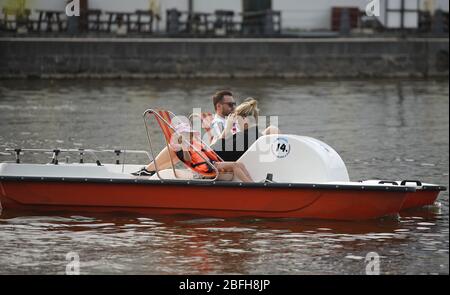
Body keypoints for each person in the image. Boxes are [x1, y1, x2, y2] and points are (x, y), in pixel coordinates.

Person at [132, 90, 238, 176]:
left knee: (177, 147)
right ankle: (150, 169)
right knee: (177, 145)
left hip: (220, 154)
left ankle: (150, 169)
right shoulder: (218, 123)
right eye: (230, 104)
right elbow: (218, 144)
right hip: (216, 157)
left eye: (234, 104)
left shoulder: (232, 121)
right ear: (219, 106)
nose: (233, 107)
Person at [134, 121, 254, 182]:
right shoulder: (181, 147)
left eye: (190, 134)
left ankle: (252, 183)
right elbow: (188, 160)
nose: (190, 136)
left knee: (240, 164)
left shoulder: (193, 144)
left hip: (211, 163)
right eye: (187, 134)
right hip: (207, 168)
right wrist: (185, 147)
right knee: (235, 165)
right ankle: (251, 186)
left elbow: (204, 153)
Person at [211, 98, 280, 161]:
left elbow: (214, 151)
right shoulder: (260, 137)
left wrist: (227, 129)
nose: (236, 123)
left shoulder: (241, 138)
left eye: (237, 120)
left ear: (244, 119)